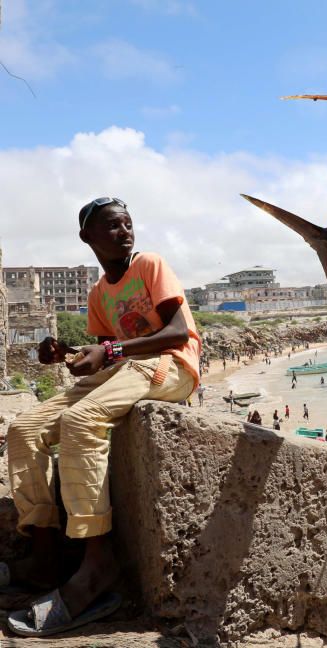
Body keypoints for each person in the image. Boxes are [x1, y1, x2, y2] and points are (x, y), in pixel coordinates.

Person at [3, 197, 201, 637]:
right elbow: (106, 358)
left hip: (172, 365)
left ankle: (97, 565)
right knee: (24, 429)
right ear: (87, 237)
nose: (125, 231)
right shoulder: (98, 294)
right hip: (130, 368)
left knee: (81, 421)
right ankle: (46, 551)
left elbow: (175, 332)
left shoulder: (148, 264)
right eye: (112, 226)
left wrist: (109, 350)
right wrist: (70, 356)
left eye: (127, 223)